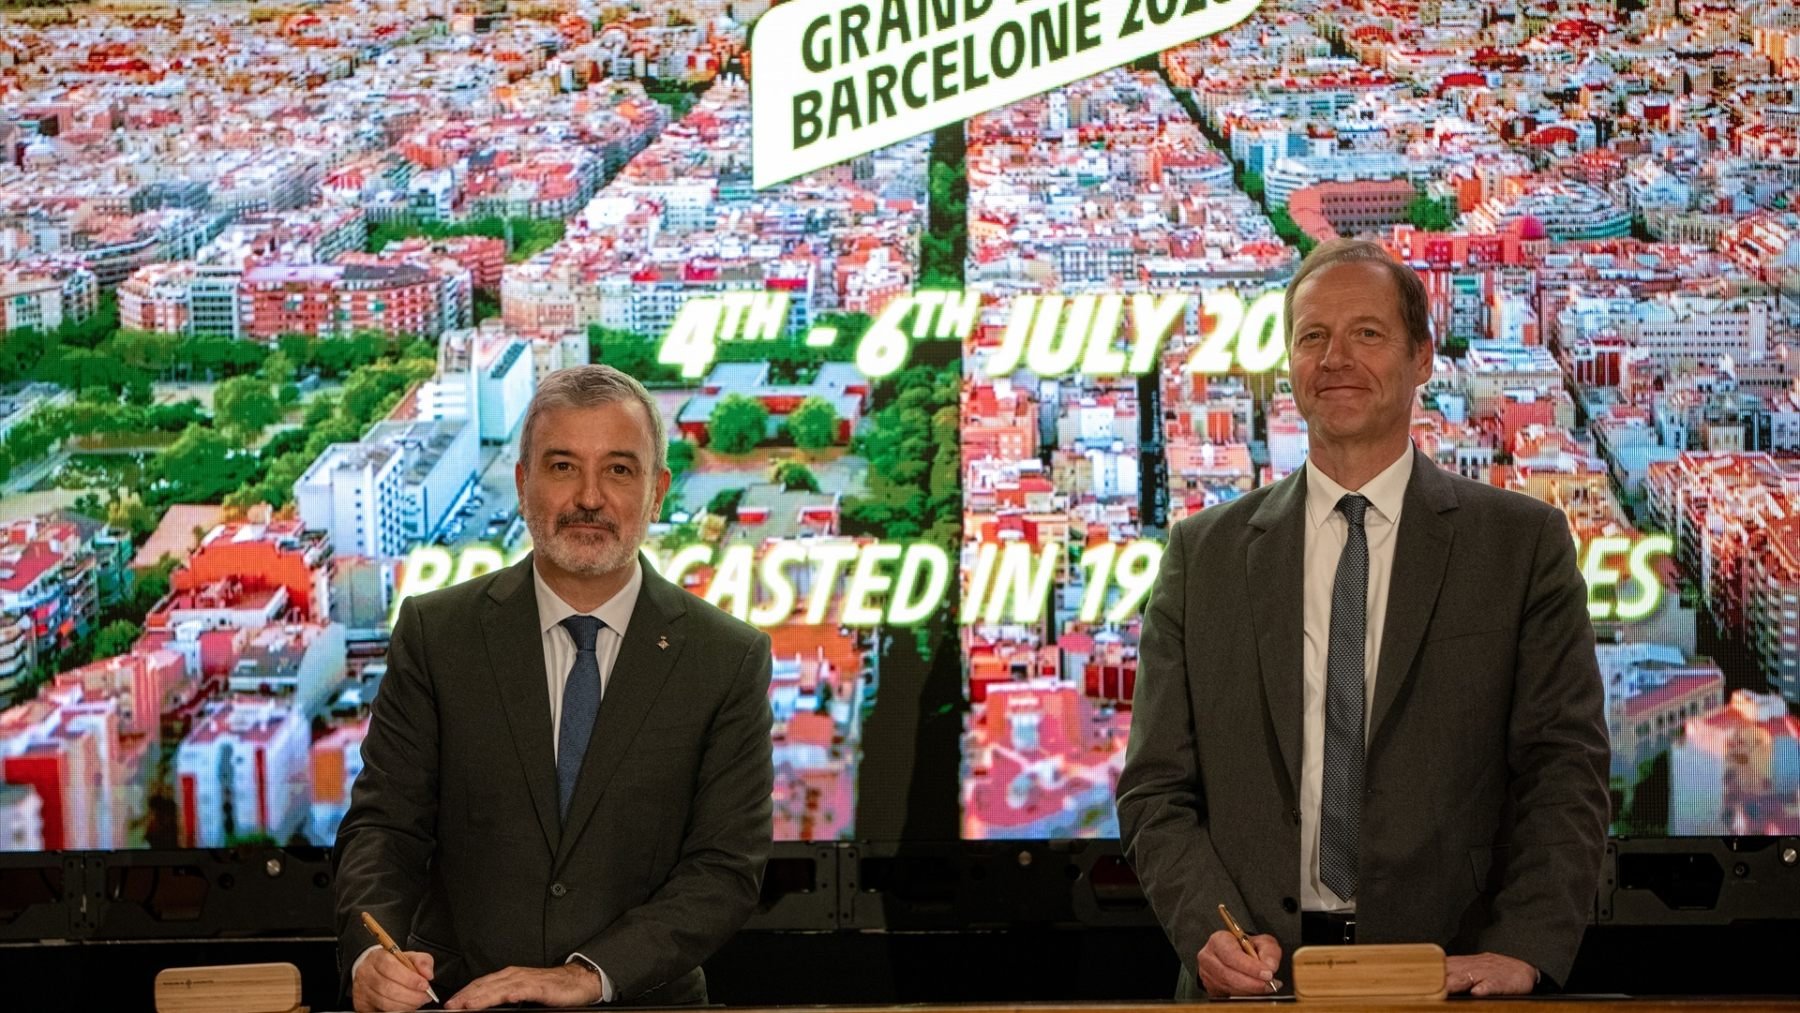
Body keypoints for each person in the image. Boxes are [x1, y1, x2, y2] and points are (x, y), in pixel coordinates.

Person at [1116, 239, 1609, 1000]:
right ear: (1289, 362)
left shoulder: (1519, 546)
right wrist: (1206, 931)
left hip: (1451, 980)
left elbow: (1563, 767)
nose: (1336, 357)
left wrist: (1525, 946)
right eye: (1313, 336)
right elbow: (1155, 788)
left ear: (1422, 357)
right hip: (1253, 987)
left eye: (1367, 334)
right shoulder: (1201, 554)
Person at [333, 365, 775, 1011]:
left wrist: (587, 974)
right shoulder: (437, 633)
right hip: (456, 1002)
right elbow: (384, 826)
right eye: (563, 466)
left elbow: (724, 870)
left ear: (657, 493)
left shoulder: (727, 657)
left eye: (619, 470)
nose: (589, 496)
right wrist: (372, 953)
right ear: (522, 484)